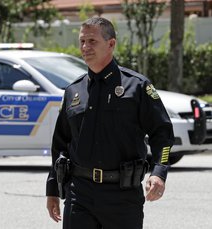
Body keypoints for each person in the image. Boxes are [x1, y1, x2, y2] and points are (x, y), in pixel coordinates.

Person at [46, 16, 174, 229]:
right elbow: (60, 144)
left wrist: (159, 173)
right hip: (79, 195)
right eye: (82, 41)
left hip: (122, 197)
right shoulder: (73, 91)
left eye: (92, 41)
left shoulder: (137, 87)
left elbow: (163, 133)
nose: (85, 47)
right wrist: (52, 189)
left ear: (111, 44)